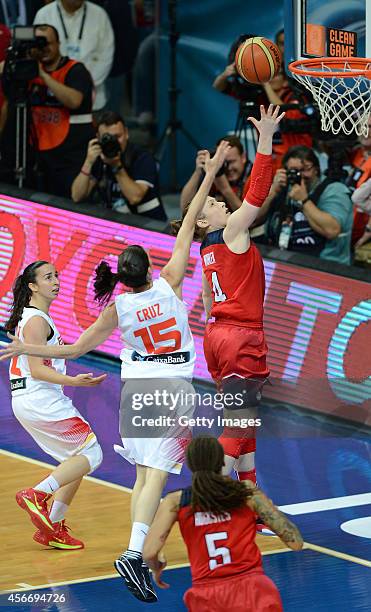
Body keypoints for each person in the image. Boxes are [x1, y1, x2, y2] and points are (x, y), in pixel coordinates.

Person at [0, 140, 231, 602]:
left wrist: (23, 347)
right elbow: (187, 223)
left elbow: (73, 350)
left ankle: (136, 550)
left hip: (136, 393)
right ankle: (132, 553)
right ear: (150, 268)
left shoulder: (118, 309)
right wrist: (211, 171)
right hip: (171, 390)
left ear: (122, 278)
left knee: (146, 475)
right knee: (159, 475)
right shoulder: (168, 284)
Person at [172, 105, 284, 491]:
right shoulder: (234, 231)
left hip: (216, 337)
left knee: (245, 418)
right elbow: (257, 192)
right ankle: (210, 492)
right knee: (240, 423)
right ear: (204, 221)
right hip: (240, 337)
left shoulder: (206, 248)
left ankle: (249, 498)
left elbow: (205, 298)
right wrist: (266, 138)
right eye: (214, 205)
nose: (222, 203)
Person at [3, 260, 106, 550]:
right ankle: (36, 495)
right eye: (48, 277)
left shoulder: (36, 317)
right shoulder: (36, 320)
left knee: (76, 460)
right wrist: (76, 382)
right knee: (92, 453)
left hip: (33, 399)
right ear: (33, 286)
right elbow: (36, 370)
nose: (56, 281)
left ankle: (53, 527)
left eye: (57, 275)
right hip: (39, 398)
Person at [143, 436, 303, 611]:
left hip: (208, 597)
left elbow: (149, 552)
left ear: (190, 464)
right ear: (221, 460)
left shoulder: (177, 501)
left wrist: (157, 567)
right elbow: (296, 542)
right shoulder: (247, 492)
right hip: (253, 590)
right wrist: (269, 509)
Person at [260, 145, 354, 264]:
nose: (300, 176)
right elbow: (253, 221)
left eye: (305, 169)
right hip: (284, 261)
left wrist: (303, 200)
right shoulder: (283, 188)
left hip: (325, 267)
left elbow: (332, 230)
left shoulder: (335, 190)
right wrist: (273, 191)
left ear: (316, 169)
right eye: (293, 171)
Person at [71, 110, 167, 221]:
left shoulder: (142, 158)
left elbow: (135, 197)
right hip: (117, 224)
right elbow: (76, 196)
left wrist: (116, 165)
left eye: (117, 136)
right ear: (98, 137)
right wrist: (88, 162)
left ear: (126, 133)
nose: (114, 142)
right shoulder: (99, 157)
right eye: (107, 138)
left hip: (148, 226)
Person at [33, 0, 114, 110]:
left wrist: (82, 85)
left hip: (93, 99)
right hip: (53, 101)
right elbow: (39, 54)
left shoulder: (99, 15)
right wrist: (62, 89)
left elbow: (106, 57)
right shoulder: (44, 14)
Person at [180, 134, 252, 213]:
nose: (228, 168)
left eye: (231, 162)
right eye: (223, 163)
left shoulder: (254, 177)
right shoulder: (216, 172)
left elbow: (249, 219)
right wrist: (198, 172)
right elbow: (185, 208)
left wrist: (225, 189)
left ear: (243, 157)